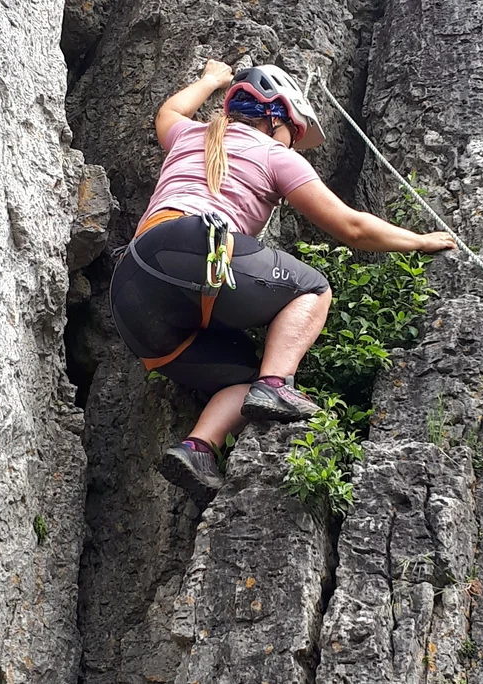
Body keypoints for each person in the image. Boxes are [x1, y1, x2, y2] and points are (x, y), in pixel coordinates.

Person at [110, 59, 456, 505]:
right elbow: (350, 227)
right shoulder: (276, 155)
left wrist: (210, 80)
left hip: (133, 289)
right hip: (194, 248)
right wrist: (417, 241)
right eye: (295, 133)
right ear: (279, 119)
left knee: (241, 379)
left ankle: (197, 448)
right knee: (312, 289)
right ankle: (277, 386)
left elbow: (167, 113)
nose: (297, 144)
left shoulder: (188, 135)